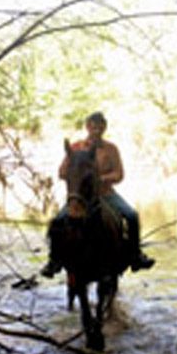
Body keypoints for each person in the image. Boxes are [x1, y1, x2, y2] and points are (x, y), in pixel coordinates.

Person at [40, 111, 155, 277]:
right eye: (93, 127)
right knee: (57, 221)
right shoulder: (76, 147)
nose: (96, 131)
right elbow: (62, 171)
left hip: (105, 193)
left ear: (104, 128)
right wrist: (75, 176)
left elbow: (119, 174)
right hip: (81, 196)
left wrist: (101, 179)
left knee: (131, 215)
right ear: (87, 127)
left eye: (99, 127)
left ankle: (135, 256)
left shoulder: (111, 149)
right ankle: (54, 261)